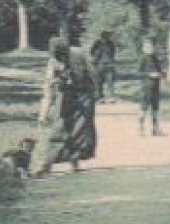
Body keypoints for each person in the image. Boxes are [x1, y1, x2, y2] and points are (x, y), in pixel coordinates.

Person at [29, 37, 99, 175]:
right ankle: (45, 164)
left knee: (81, 129)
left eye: (63, 55)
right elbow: (48, 90)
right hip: (65, 95)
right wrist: (43, 114)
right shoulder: (53, 63)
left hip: (84, 94)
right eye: (57, 56)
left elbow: (93, 73)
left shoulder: (79, 54)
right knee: (58, 128)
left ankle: (74, 159)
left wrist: (94, 93)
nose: (61, 59)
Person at [137, 38, 164, 136]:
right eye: (148, 46)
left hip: (156, 86)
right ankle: (141, 128)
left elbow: (160, 70)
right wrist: (149, 74)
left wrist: (160, 74)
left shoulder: (155, 58)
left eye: (152, 46)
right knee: (144, 107)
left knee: (155, 108)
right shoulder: (142, 58)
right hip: (146, 87)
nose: (150, 48)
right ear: (144, 48)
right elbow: (138, 73)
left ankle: (155, 129)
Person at [91, 30, 119, 101]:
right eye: (104, 36)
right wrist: (97, 56)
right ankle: (100, 97)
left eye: (106, 36)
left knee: (110, 81)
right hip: (99, 64)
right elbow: (91, 52)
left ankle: (111, 97)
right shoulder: (97, 43)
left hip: (108, 64)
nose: (105, 38)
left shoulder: (110, 43)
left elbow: (113, 53)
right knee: (99, 81)